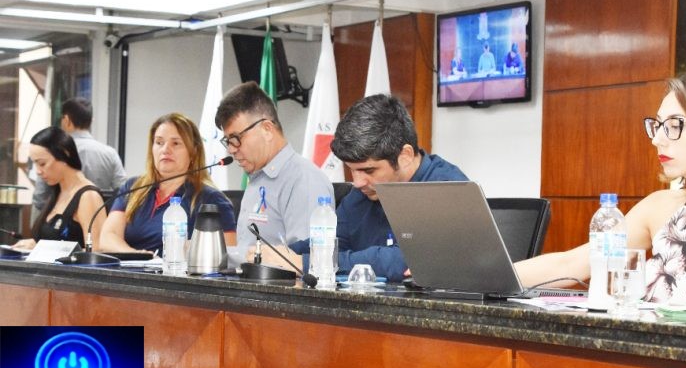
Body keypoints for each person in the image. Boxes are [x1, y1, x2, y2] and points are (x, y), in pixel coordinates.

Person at [515, 70, 686, 306]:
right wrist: (493, 273)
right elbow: (571, 264)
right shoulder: (659, 205)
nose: (657, 139)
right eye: (657, 126)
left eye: (674, 126)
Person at [260, 94, 468, 282]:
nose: (358, 182)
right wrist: (276, 256)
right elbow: (330, 242)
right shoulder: (362, 194)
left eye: (368, 170)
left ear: (404, 156)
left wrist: (303, 263)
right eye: (352, 170)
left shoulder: (449, 188)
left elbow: (407, 259)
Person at [214, 81, 333, 265]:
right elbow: (247, 254)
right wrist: (208, 252)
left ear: (267, 130)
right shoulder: (257, 178)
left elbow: (304, 263)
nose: (231, 149)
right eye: (227, 141)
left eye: (235, 138)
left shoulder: (304, 180)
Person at [99, 113, 236, 253]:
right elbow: (107, 237)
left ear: (193, 151)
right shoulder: (133, 187)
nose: (165, 150)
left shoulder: (211, 199)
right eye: (159, 143)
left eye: (175, 143)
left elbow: (226, 250)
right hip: (130, 266)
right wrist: (137, 255)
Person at [13, 127, 106, 250]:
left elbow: (97, 250)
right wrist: (34, 245)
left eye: (42, 164)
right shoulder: (57, 192)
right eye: (35, 164)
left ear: (64, 154)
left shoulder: (88, 197)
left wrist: (43, 248)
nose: (38, 171)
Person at [32, 97, 126, 213]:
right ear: (91, 121)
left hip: (61, 220)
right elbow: (124, 192)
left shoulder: (54, 151)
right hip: (98, 218)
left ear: (66, 120)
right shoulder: (110, 153)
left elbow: (40, 198)